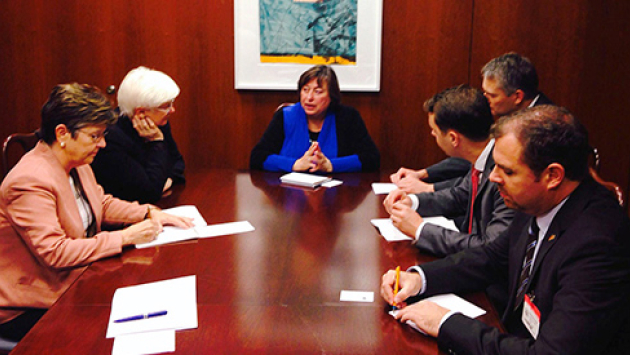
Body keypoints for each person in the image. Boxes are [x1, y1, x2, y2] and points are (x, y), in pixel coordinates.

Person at [381, 105, 630, 354]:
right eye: (495, 166)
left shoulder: (597, 244)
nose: (493, 178)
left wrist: (445, 323)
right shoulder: (535, 201)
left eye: (507, 170)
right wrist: (419, 279)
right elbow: (491, 257)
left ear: (553, 176)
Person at [0, 84, 194, 342]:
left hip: (72, 280)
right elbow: (56, 252)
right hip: (30, 306)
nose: (102, 144)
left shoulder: (76, 162)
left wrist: (147, 212)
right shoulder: (28, 181)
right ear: (62, 133)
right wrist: (125, 238)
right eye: (95, 136)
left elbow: (100, 203)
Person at [391, 52, 553, 194]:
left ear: (517, 97)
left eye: (492, 95)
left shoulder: (543, 128)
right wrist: (424, 173)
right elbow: (474, 154)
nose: (484, 99)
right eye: (484, 92)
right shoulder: (510, 113)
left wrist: (429, 188)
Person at [383, 85, 513, 256]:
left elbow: (488, 249)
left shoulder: (504, 173)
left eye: (435, 131)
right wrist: (412, 202)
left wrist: (420, 230)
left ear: (453, 138)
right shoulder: (482, 160)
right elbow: (459, 196)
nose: (432, 134)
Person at [250, 65, 380, 173]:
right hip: (288, 196)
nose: (309, 98)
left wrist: (331, 165)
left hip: (338, 196)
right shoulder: (284, 116)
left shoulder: (347, 118)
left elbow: (372, 158)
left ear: (331, 95)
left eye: (318, 91)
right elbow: (257, 157)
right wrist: (294, 164)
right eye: (305, 90)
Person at [91, 66, 185, 203]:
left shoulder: (158, 122)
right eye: (166, 106)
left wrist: (168, 180)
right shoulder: (111, 138)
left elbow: (178, 163)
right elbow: (148, 193)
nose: (172, 110)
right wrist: (156, 142)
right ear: (141, 112)